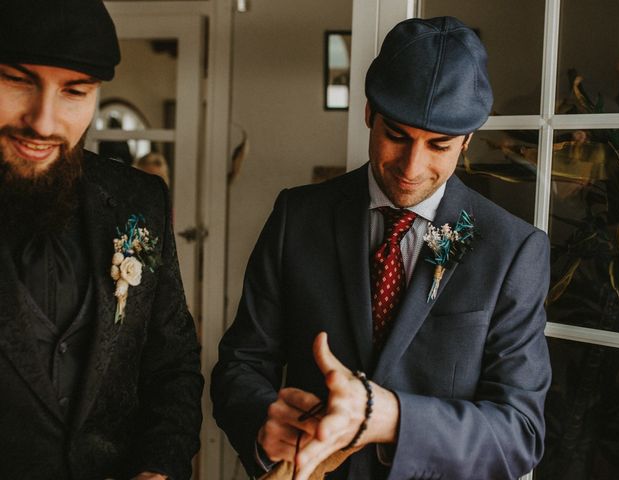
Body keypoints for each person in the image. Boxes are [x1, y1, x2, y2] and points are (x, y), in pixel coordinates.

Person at [212, 16, 551, 480]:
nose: (413, 167)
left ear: (467, 141)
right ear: (369, 112)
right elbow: (242, 363)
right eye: (397, 136)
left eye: (440, 145)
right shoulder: (297, 215)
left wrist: (388, 416)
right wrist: (265, 424)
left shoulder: (513, 249)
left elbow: (520, 434)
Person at [0, 1, 203, 479]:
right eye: (17, 80)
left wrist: (161, 466)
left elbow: (172, 365)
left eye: (74, 91)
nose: (44, 121)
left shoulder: (139, 200)